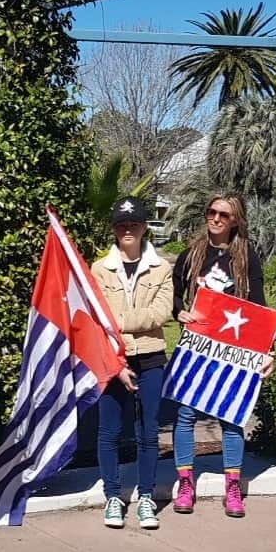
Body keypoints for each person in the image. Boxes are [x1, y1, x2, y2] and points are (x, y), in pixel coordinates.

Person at [171, 193, 273, 518]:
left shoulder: (247, 257)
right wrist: (179, 313)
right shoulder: (191, 254)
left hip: (234, 350)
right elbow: (172, 295)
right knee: (186, 415)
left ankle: (233, 487)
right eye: (211, 212)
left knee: (231, 418)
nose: (215, 219)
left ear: (236, 221)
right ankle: (186, 483)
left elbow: (258, 305)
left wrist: (266, 351)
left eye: (224, 215)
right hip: (197, 346)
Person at [90, 197, 173, 529]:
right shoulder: (99, 269)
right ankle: (112, 495)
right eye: (122, 224)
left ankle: (148, 496)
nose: (128, 229)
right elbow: (96, 317)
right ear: (114, 229)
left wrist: (118, 319)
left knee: (149, 431)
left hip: (151, 358)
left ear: (144, 228)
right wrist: (119, 332)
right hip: (112, 359)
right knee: (108, 430)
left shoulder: (162, 267)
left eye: (134, 224)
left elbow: (161, 313)